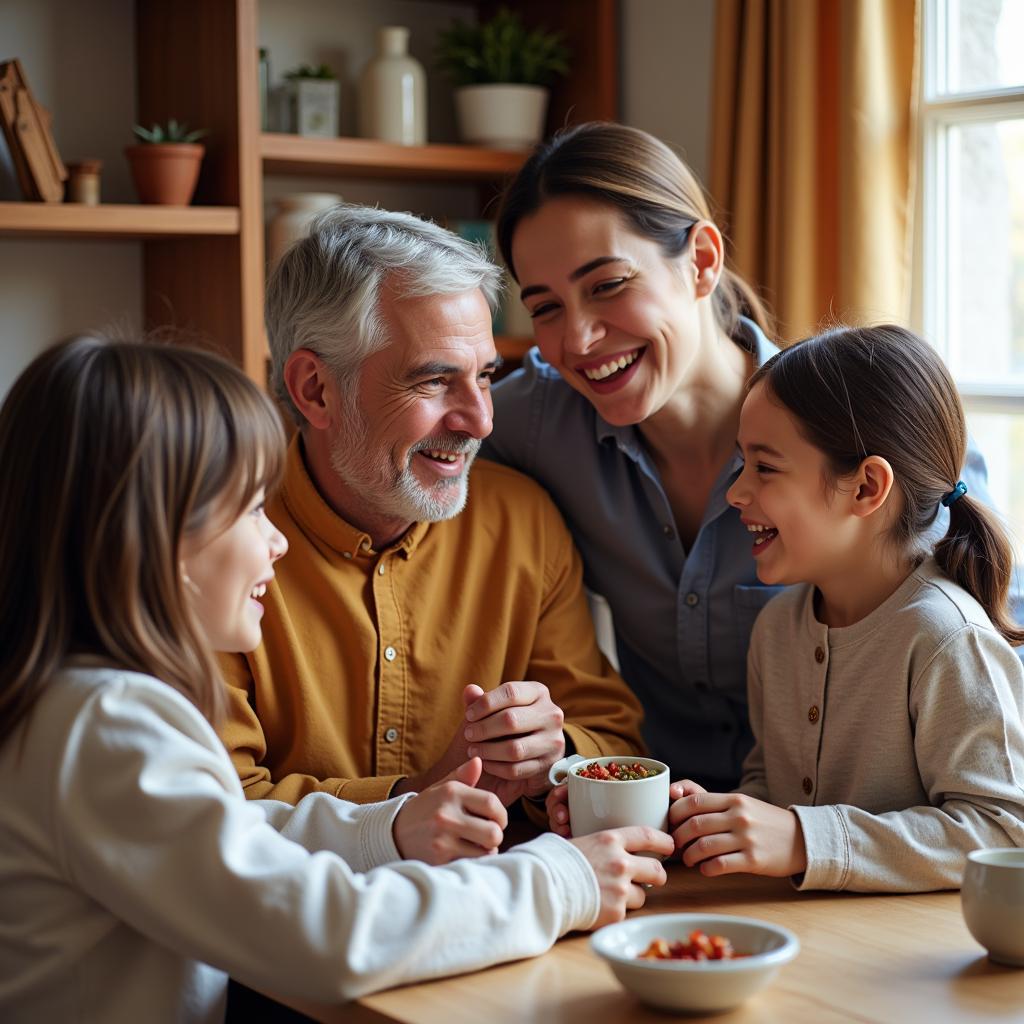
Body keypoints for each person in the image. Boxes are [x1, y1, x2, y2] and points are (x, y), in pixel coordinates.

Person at [0, 336, 673, 1024]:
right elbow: (328, 934)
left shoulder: (70, 705)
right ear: (152, 537)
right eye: (251, 508)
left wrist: (390, 830)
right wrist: (561, 880)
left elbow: (233, 832)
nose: (277, 540)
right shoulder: (106, 724)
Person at [482, 120, 1010, 791]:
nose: (579, 338)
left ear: (702, 260)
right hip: (669, 826)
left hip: (864, 844)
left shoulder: (852, 424)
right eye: (545, 307)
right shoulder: (532, 421)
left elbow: (997, 677)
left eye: (608, 284)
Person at [217, 204, 645, 820]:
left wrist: (553, 757)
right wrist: (412, 802)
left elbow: (614, 741)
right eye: (434, 381)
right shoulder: (216, 543)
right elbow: (216, 807)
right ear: (316, 389)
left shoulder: (523, 522)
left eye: (486, 377)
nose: (480, 420)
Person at [667, 325, 1024, 892]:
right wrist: (719, 819)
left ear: (865, 488)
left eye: (764, 467)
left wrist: (804, 839)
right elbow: (770, 787)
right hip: (798, 943)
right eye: (741, 464)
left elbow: (1005, 833)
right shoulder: (777, 629)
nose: (735, 493)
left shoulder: (945, 638)